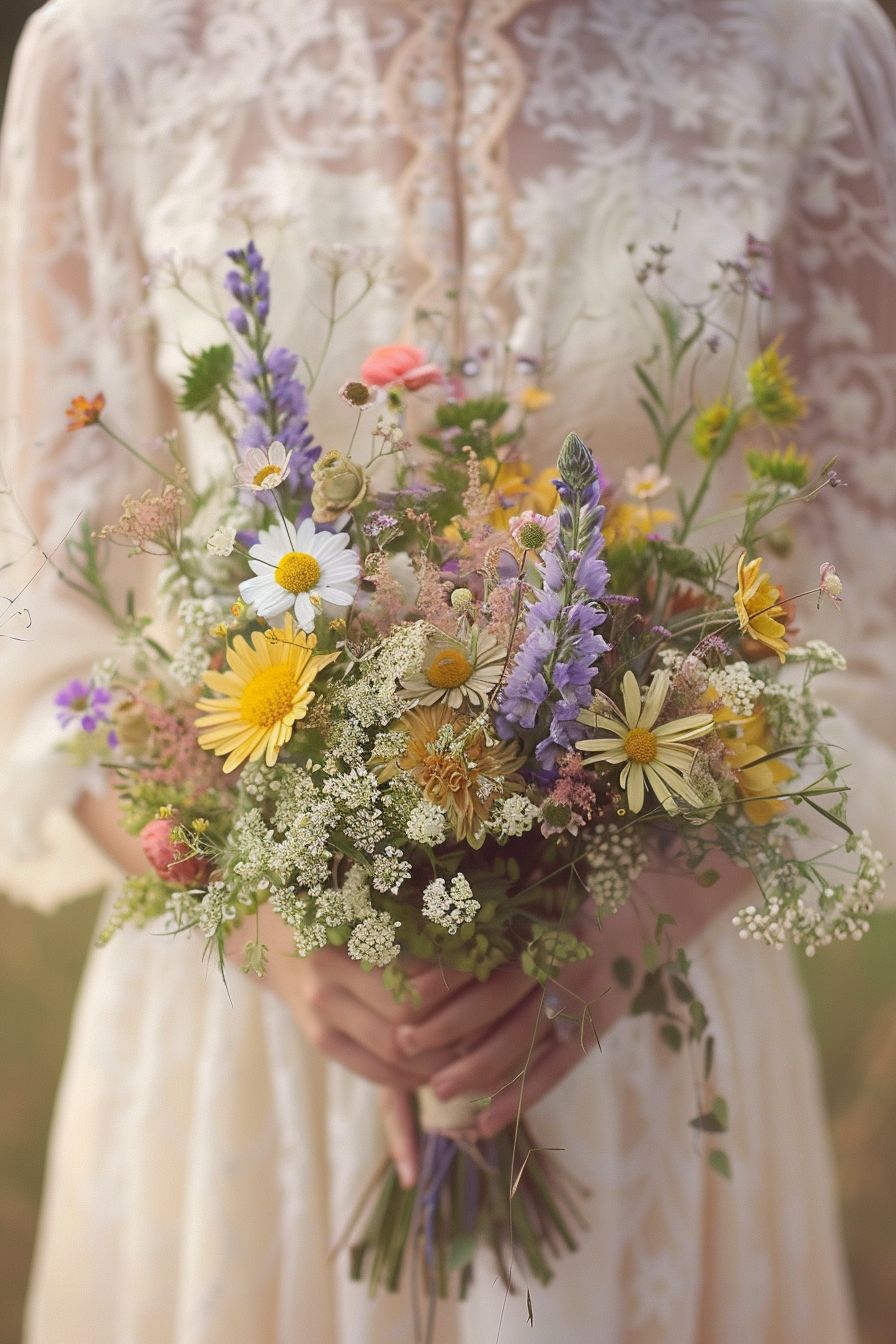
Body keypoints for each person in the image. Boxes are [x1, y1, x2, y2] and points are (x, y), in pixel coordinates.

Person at [2, 0, 895, 1339]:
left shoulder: (803, 48)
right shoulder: (114, 52)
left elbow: (865, 634)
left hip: (641, 1004)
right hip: (253, 1037)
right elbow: (42, 651)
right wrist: (276, 929)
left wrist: (632, 916)